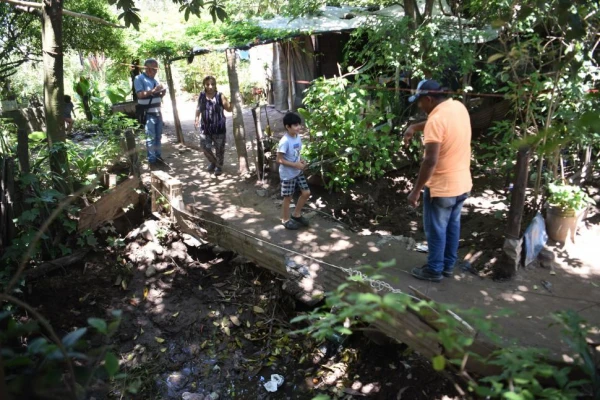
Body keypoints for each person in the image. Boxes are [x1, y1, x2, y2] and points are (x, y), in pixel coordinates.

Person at [404, 80, 472, 282]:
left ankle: (434, 269)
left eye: (420, 102)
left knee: (436, 230)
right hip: (462, 184)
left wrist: (416, 190)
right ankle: (448, 266)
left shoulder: (435, 121)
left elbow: (430, 160)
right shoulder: (457, 107)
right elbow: (440, 123)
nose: (419, 106)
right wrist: (415, 127)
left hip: (442, 188)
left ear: (429, 99)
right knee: (452, 226)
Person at [276, 112, 311, 230]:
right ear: (287, 126)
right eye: (295, 125)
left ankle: (296, 214)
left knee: (306, 193)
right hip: (288, 174)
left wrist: (302, 160)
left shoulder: (297, 137)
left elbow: (297, 153)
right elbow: (279, 160)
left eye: (299, 124)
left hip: (297, 171)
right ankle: (285, 220)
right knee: (288, 197)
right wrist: (294, 164)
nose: (298, 127)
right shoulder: (284, 141)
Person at [194, 76, 232, 176]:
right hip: (205, 128)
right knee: (204, 147)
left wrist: (233, 102)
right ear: (204, 85)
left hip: (219, 128)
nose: (210, 86)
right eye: (207, 84)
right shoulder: (202, 95)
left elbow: (229, 109)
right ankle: (214, 162)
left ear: (215, 85)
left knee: (219, 149)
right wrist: (196, 118)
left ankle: (218, 167)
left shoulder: (220, 96)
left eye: (212, 84)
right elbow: (198, 108)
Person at [134, 58, 166, 166]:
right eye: (154, 69)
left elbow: (156, 95)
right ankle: (152, 160)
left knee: (158, 136)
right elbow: (140, 95)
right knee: (150, 137)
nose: (156, 71)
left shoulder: (155, 80)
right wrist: (154, 90)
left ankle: (158, 156)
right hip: (148, 113)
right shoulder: (139, 78)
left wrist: (162, 92)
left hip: (158, 112)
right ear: (147, 68)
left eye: (156, 69)